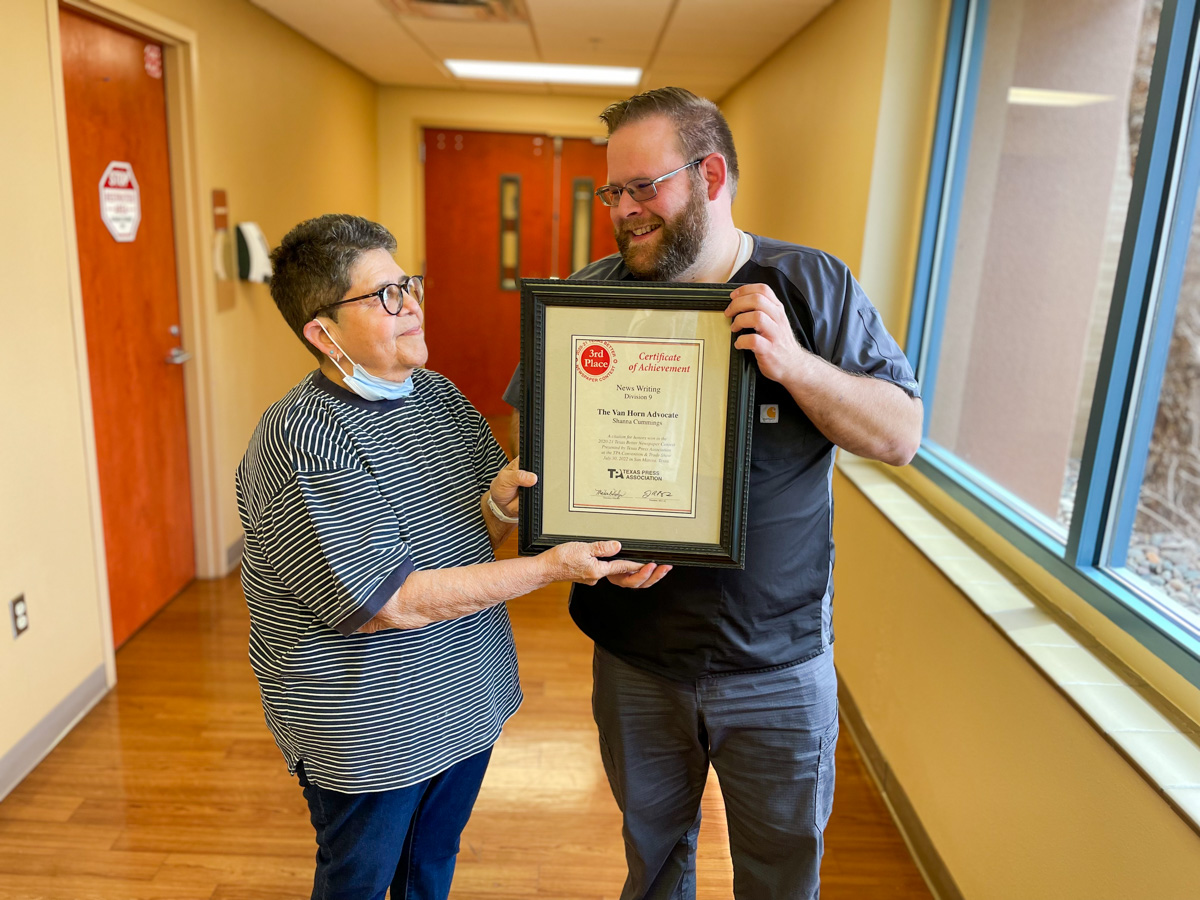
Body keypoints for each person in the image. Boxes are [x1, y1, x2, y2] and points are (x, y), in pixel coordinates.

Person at [502, 88, 923, 899]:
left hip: (778, 664)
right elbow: (541, 445)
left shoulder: (810, 284)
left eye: (643, 186)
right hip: (636, 657)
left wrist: (794, 364)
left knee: (780, 876)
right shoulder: (590, 294)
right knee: (655, 865)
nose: (623, 211)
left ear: (712, 174)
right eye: (610, 192)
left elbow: (899, 436)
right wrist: (576, 527)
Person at [236, 214, 641, 900]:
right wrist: (552, 567)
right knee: (359, 883)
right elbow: (383, 602)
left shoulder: (439, 397)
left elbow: (473, 533)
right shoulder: (303, 440)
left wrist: (507, 505)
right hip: (371, 731)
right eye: (385, 296)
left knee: (429, 869)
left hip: (463, 701)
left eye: (409, 284)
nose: (413, 304)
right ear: (321, 331)